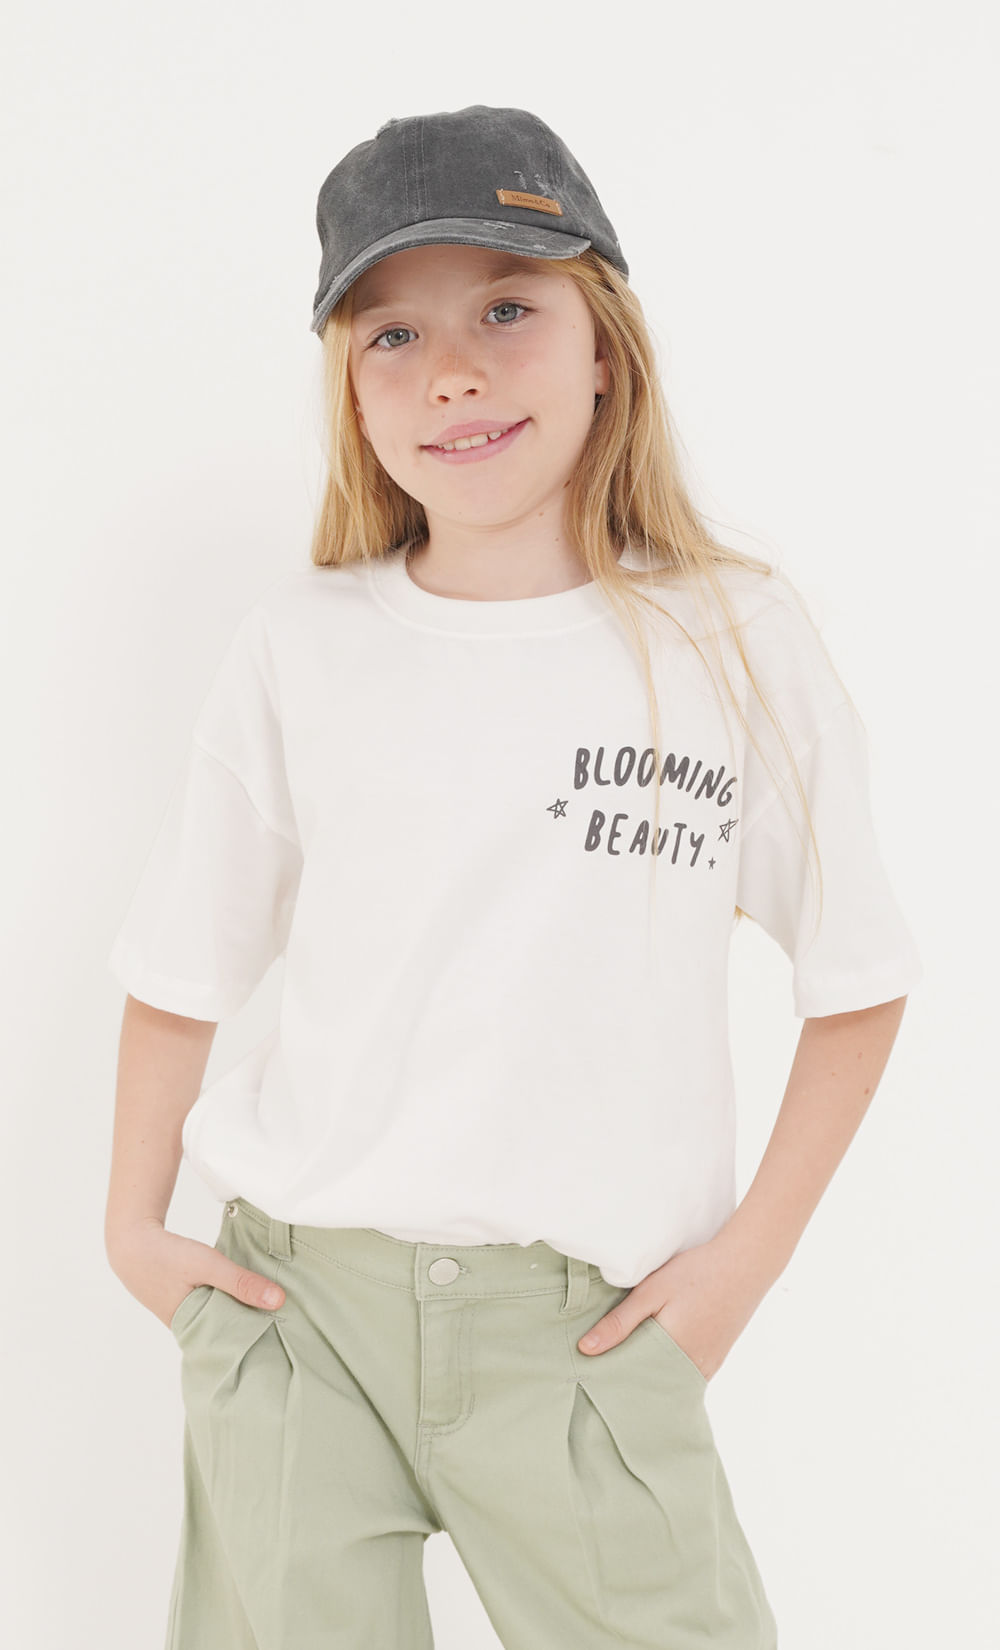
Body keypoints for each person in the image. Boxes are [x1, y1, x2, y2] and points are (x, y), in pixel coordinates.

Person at [104, 105, 923, 1649]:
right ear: (350, 388)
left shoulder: (730, 640)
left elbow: (859, 978)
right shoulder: (302, 646)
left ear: (605, 342)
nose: (453, 372)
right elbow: (181, 963)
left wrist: (741, 1268)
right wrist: (133, 1229)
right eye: (393, 333)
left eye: (505, 309)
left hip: (586, 1333)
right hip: (301, 1311)